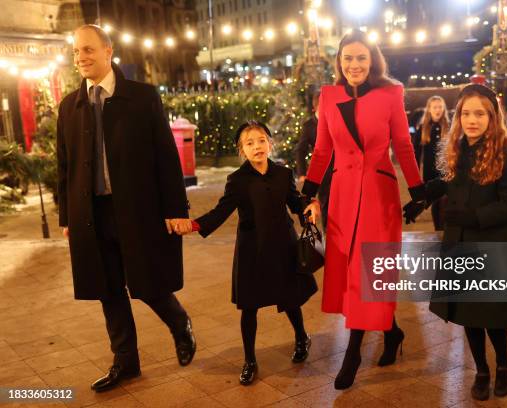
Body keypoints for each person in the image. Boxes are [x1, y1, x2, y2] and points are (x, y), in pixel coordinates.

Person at [57, 25, 196, 392]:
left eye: (88, 50)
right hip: (90, 213)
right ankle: (126, 361)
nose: (81, 58)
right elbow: (64, 166)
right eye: (76, 52)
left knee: (147, 282)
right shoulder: (69, 106)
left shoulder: (143, 97)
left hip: (137, 209)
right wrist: (66, 217)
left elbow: (166, 158)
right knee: (107, 289)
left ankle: (179, 322)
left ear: (108, 50)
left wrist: (176, 208)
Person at [302, 31, 425, 390]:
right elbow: (323, 150)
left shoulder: (391, 93)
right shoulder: (328, 96)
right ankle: (392, 330)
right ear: (338, 62)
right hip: (341, 194)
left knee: (370, 271)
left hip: (378, 194)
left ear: (372, 60)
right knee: (351, 270)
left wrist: (417, 190)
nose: (354, 65)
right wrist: (307, 191)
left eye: (361, 58)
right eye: (347, 58)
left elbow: (403, 143)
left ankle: (353, 351)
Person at [406, 84, 507, 401]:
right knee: (468, 313)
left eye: (479, 113)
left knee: (492, 314)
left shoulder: (505, 154)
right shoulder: (460, 150)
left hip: (491, 243)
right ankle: (482, 369)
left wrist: (476, 217)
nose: (471, 120)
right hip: (461, 244)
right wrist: (424, 196)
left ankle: (503, 364)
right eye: (465, 113)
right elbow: (451, 181)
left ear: (492, 117)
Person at [173, 121, 317, 386]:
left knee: (290, 300)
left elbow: (296, 203)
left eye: (261, 140)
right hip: (252, 249)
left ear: (269, 143)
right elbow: (221, 212)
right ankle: (250, 360)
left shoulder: (283, 174)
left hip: (283, 246)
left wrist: (309, 207)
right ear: (242, 150)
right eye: (249, 143)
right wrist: (193, 225)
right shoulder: (237, 181)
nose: (257, 147)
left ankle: (301, 338)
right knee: (249, 307)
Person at [295, 90, 333, 230]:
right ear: (316, 107)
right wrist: (302, 173)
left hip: (341, 170)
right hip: (323, 173)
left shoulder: (336, 120)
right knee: (326, 204)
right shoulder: (309, 125)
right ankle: (330, 236)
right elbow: (300, 150)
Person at [413, 96, 450, 230]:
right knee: (435, 202)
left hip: (446, 172)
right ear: (429, 109)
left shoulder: (448, 126)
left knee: (445, 201)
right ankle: (438, 230)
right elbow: (415, 152)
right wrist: (415, 173)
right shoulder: (423, 128)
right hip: (430, 172)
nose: (438, 110)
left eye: (440, 107)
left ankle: (446, 229)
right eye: (435, 107)